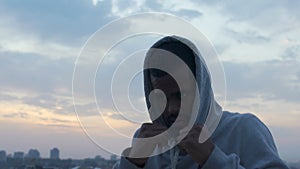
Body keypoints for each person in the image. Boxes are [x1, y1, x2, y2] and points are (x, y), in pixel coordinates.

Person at [114, 36, 289, 169]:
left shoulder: (244, 130)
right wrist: (132, 162)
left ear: (202, 90)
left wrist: (213, 160)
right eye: (160, 98)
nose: (172, 109)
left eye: (182, 96)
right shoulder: (146, 143)